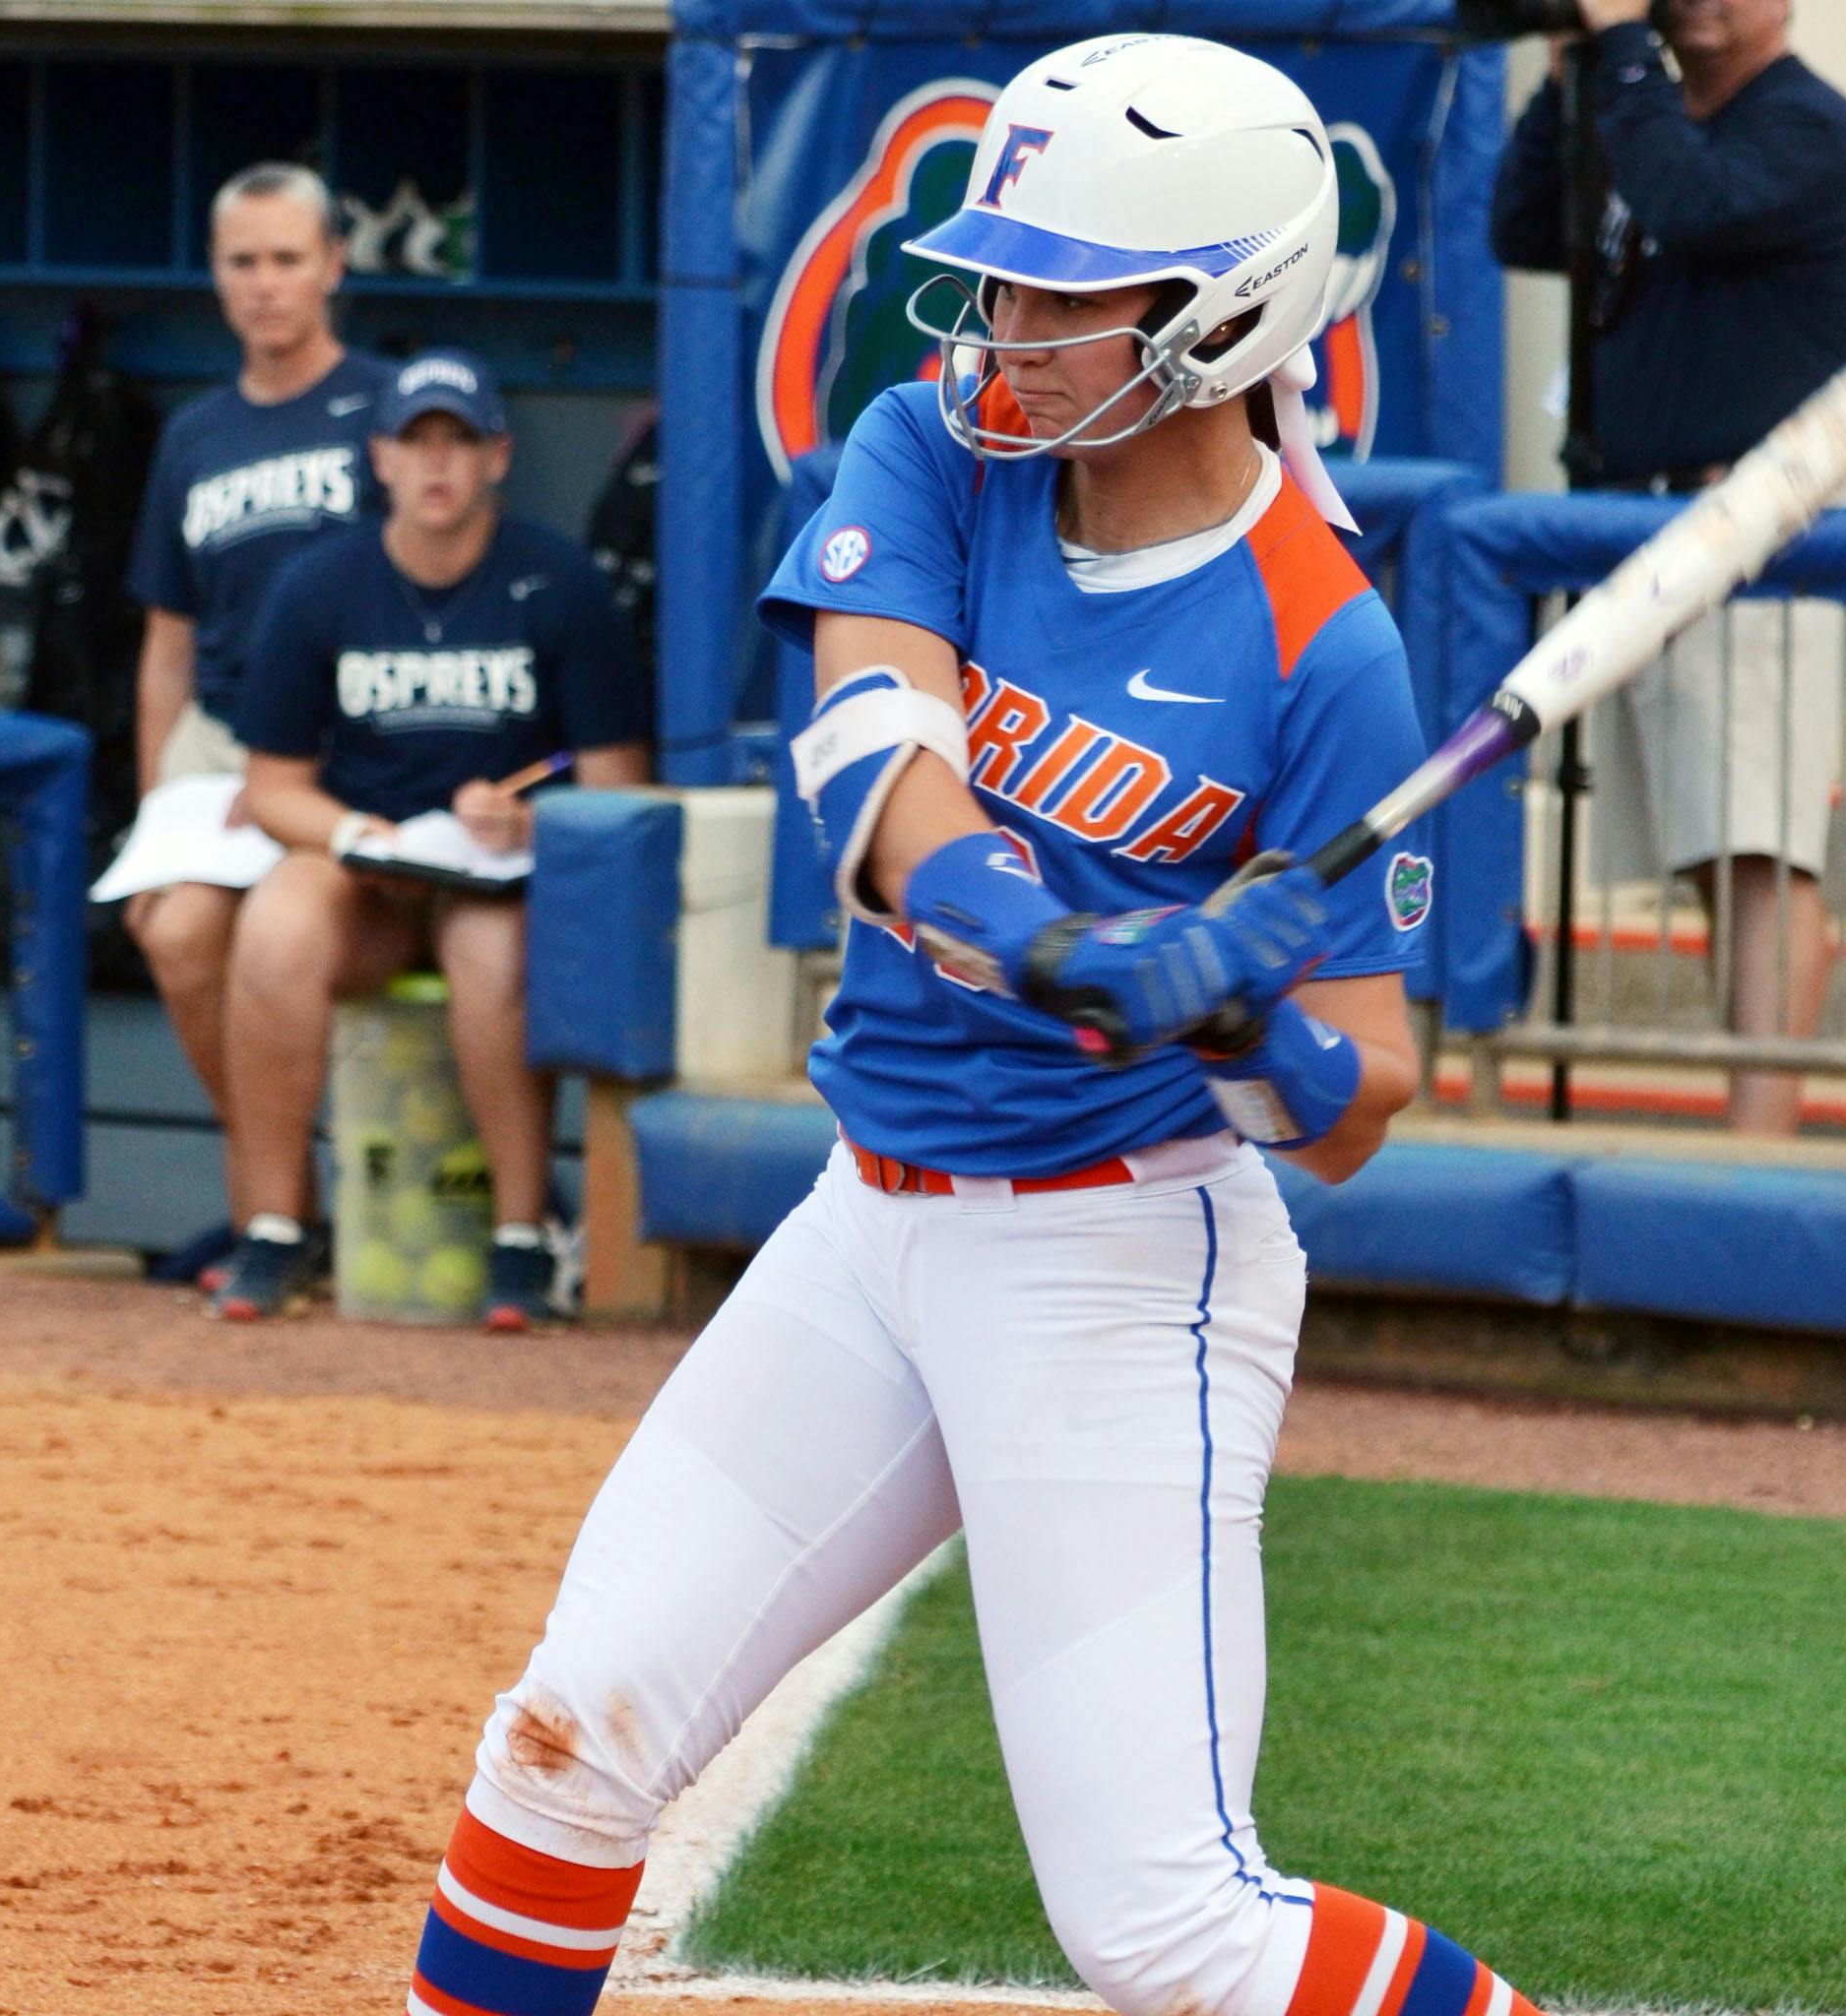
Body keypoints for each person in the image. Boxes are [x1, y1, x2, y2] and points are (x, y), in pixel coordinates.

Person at [402, 38, 1552, 2016]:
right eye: (1000, 279)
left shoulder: (1323, 643)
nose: (1002, 327)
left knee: (1168, 1926)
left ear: (1221, 318)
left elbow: (1365, 1097)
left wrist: (1252, 1021)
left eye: (1056, 292)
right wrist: (1074, 942)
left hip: (1120, 1263)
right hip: (874, 1222)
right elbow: (874, 769)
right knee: (567, 1747)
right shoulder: (934, 442)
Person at [1492, 0, 1846, 1131]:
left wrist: (1618, 52)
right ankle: (1754, 1112)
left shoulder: (1810, 128)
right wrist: (1567, 72)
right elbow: (1521, 231)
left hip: (1751, 531)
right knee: (1709, 854)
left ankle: (1762, 1141)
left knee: (1757, 850)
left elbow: (1690, 202)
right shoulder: (1632, 107)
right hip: (1641, 536)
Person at [222, 349, 650, 1329]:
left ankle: (518, 1237)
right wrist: (353, 832)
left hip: (493, 874)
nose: (438, 466)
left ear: (499, 455)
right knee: (278, 917)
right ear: (380, 458)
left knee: (491, 952)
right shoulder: (318, 585)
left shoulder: (559, 580)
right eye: (416, 443)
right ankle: (277, 1226)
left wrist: (531, 817)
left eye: (460, 442)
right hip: (370, 871)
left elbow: (620, 780)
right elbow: (273, 786)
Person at [121, 162, 395, 1290]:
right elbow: (168, 636)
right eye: (244, 262)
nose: (267, 284)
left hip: (342, 746)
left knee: (246, 935)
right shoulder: (195, 433)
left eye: (288, 258)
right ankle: (283, 1196)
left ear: (333, 264)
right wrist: (160, 801)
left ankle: (273, 1216)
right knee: (174, 927)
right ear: (217, 277)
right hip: (221, 734)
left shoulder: (389, 405)